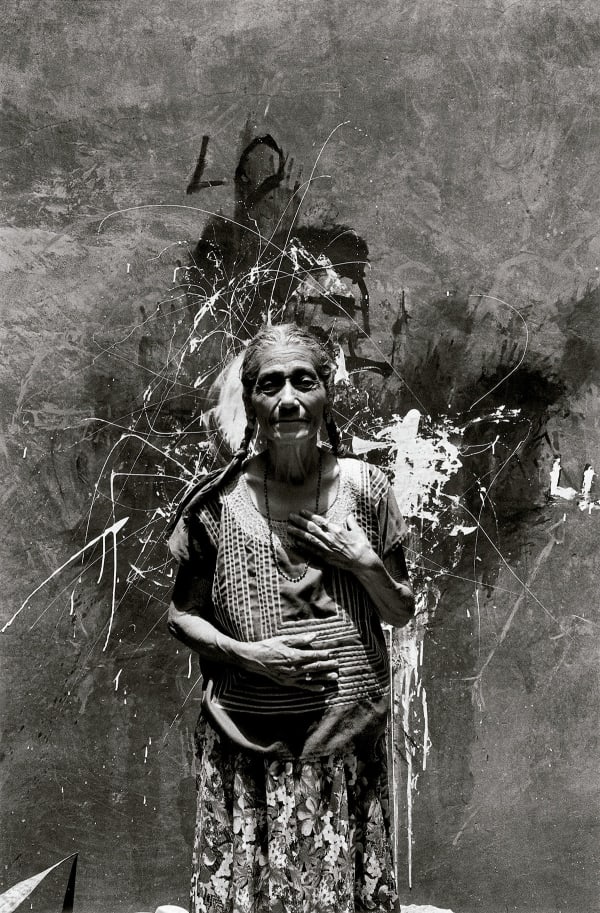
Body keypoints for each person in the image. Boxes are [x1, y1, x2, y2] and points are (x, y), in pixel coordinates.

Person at [167, 323, 415, 913]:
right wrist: (253, 656)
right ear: (251, 401)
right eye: (270, 385)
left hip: (343, 752)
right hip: (245, 752)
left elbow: (399, 609)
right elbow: (181, 617)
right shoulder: (215, 503)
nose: (288, 400)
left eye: (303, 381)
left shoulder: (367, 489)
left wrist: (361, 561)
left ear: (326, 393)